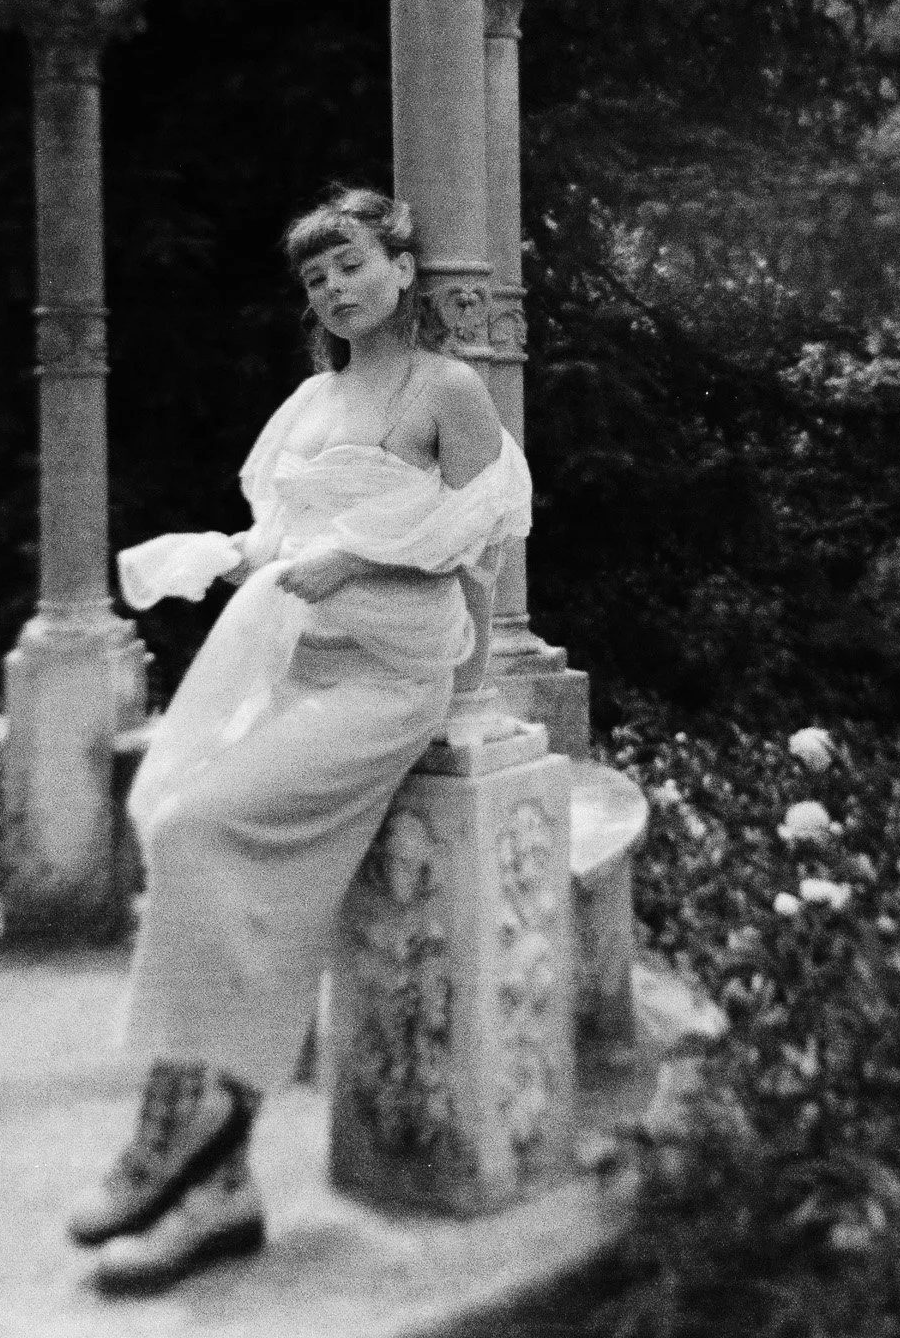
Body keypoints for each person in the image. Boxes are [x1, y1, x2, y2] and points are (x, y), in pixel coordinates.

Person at [68, 186, 532, 1289]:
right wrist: (224, 553)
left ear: (404, 268)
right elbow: (286, 533)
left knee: (198, 825)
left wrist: (374, 577)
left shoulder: (446, 386)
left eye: (353, 264)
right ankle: (211, 1172)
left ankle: (184, 1136)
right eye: (317, 276)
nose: (333, 287)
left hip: (388, 676)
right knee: (181, 830)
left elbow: (486, 531)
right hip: (299, 659)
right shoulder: (313, 398)